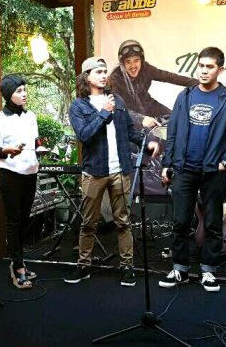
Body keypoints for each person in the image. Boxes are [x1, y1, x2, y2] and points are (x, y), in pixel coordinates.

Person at [64, 56, 159, 287]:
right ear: (86, 77)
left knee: (123, 222)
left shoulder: (118, 100)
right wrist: (104, 113)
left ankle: (127, 267)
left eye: (105, 71)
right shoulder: (78, 106)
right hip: (94, 172)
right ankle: (84, 266)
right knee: (89, 223)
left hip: (120, 171)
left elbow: (129, 132)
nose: (104, 75)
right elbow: (84, 135)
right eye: (98, 71)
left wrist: (146, 143)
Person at [159, 47, 226, 292]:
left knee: (213, 223)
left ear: (220, 69)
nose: (204, 71)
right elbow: (172, 133)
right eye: (201, 66)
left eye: (210, 66)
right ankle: (180, 269)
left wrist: (225, 162)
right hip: (184, 168)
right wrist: (167, 163)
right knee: (180, 222)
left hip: (214, 171)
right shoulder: (184, 96)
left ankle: (208, 270)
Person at [0, 74, 39, 290]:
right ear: (8, 94)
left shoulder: (31, 116)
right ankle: (17, 266)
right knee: (14, 221)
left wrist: (40, 149)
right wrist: (7, 150)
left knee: (25, 220)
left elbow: (35, 142)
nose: (24, 93)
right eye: (19, 91)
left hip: (31, 172)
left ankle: (20, 262)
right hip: (10, 175)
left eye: (24, 89)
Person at [109, 39, 198, 129]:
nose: (133, 66)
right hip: (129, 113)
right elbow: (117, 107)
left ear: (141, 60)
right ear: (123, 64)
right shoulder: (115, 78)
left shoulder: (146, 69)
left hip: (149, 105)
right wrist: (141, 119)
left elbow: (170, 77)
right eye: (128, 62)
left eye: (136, 60)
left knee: (175, 119)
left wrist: (199, 83)